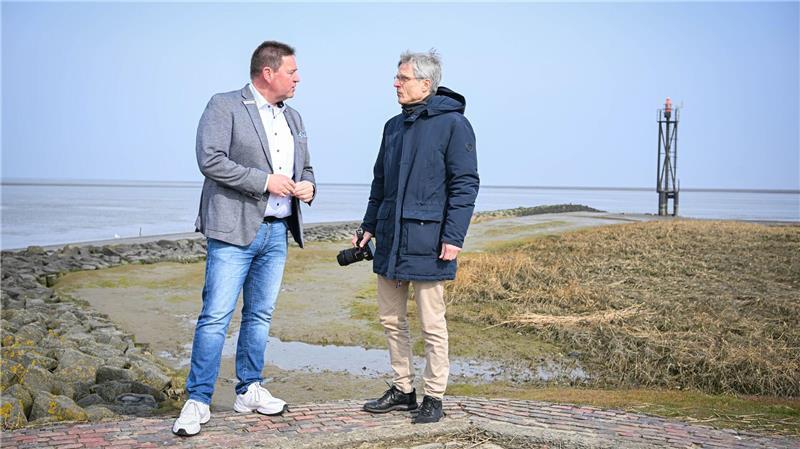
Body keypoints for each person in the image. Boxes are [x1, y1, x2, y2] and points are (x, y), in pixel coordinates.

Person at [173, 40, 315, 437]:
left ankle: (249, 389)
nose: (298, 78)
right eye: (292, 71)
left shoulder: (295, 117)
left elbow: (306, 168)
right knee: (215, 317)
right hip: (232, 231)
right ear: (268, 73)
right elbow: (210, 160)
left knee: (260, 316)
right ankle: (198, 399)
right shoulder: (224, 105)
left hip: (277, 232)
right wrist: (265, 181)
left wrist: (308, 186)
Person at [354, 50, 479, 424]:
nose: (396, 83)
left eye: (403, 78)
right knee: (391, 319)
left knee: (431, 324)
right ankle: (403, 389)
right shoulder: (392, 126)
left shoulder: (454, 125)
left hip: (430, 240)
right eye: (397, 77)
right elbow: (380, 183)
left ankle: (434, 396)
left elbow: (465, 184)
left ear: (426, 84)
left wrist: (454, 236)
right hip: (391, 238)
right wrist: (368, 226)